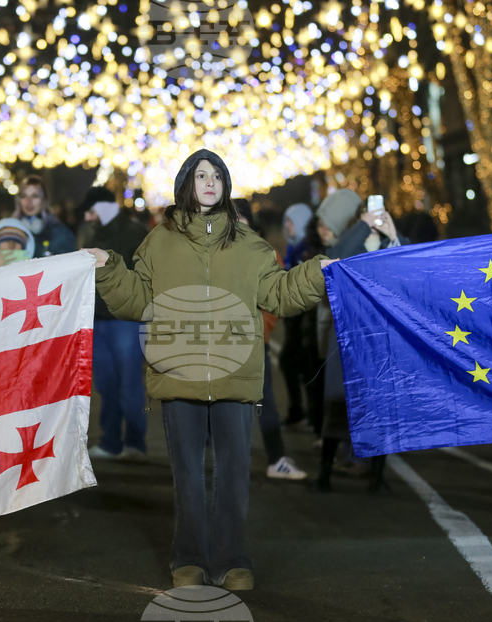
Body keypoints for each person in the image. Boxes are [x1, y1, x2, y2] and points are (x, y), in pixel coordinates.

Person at [85, 149, 336, 591]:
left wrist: (318, 273)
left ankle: (233, 561)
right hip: (178, 374)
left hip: (235, 376)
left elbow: (278, 294)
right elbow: (137, 299)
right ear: (186, 183)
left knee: (234, 474)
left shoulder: (250, 244)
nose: (209, 181)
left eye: (216, 174)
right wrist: (109, 269)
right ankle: (189, 561)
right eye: (200, 174)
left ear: (226, 185)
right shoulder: (158, 241)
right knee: (187, 476)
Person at [313, 191, 408, 493]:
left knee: (380, 408)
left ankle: (377, 476)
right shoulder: (349, 240)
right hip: (348, 339)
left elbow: (410, 264)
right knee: (339, 409)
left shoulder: (384, 240)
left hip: (378, 340)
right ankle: (324, 474)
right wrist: (364, 227)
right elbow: (336, 257)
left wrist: (392, 236)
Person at [233, 198, 307, 481]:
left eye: (240, 220)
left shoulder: (265, 252)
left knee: (264, 400)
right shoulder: (213, 251)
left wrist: (261, 329)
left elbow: (274, 298)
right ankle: (219, 457)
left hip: (253, 341)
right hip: (221, 341)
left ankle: (276, 458)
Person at [79, 186, 150, 462]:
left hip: (125, 321)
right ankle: (111, 441)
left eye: (92, 210)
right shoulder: (94, 232)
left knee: (129, 383)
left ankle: (134, 442)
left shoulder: (133, 233)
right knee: (106, 384)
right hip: (99, 319)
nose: (88, 216)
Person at [279, 203, 315, 429]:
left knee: (303, 366)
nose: (286, 228)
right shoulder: (293, 249)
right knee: (292, 363)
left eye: (290, 223)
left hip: (305, 319)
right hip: (295, 319)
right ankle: (301, 411)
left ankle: (308, 414)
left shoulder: (307, 250)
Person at [14, 175, 77, 258]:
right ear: (19, 200)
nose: (29, 201)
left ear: (44, 200)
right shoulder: (10, 231)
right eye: (24, 196)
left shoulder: (61, 233)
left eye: (35, 196)